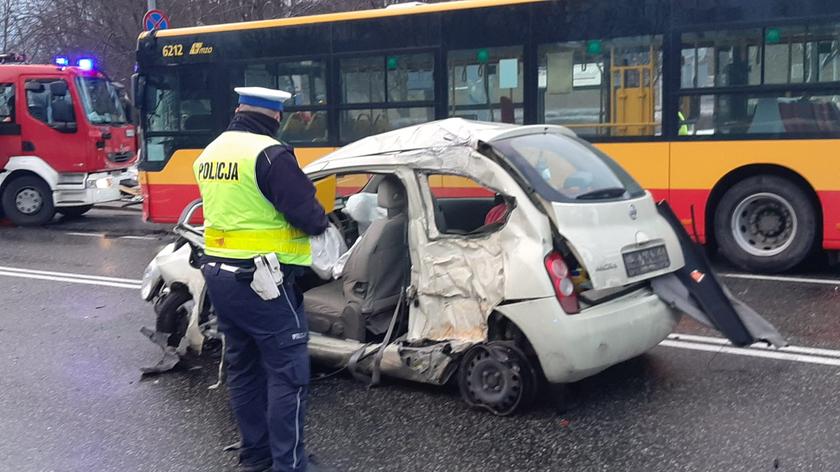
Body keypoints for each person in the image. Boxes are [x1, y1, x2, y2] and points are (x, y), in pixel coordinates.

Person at [193, 87, 330, 472]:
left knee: (244, 369)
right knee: (289, 376)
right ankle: (290, 465)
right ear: (274, 117)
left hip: (220, 277)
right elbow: (312, 217)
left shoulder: (212, 152)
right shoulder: (270, 154)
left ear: (239, 111)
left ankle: (256, 457)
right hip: (264, 284)